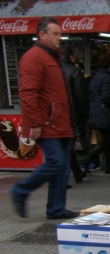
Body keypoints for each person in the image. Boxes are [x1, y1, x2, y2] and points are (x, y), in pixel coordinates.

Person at [10, 17, 79, 219]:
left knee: (62, 167)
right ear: (42, 35)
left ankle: (56, 208)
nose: (59, 38)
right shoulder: (34, 57)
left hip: (59, 122)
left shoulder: (52, 57)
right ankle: (20, 190)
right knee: (56, 162)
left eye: (60, 34)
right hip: (47, 122)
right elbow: (27, 92)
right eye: (55, 34)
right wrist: (35, 122)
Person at [85, 56, 110, 174]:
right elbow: (107, 97)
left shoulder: (95, 77)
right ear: (109, 67)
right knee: (108, 141)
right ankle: (88, 158)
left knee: (108, 139)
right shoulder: (106, 78)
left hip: (96, 112)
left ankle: (109, 166)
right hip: (105, 113)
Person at [61, 47, 89, 184]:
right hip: (72, 113)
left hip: (59, 113)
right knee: (68, 147)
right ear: (72, 57)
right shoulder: (74, 71)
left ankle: (77, 172)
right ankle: (62, 179)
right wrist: (85, 114)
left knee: (66, 146)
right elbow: (80, 95)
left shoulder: (55, 69)